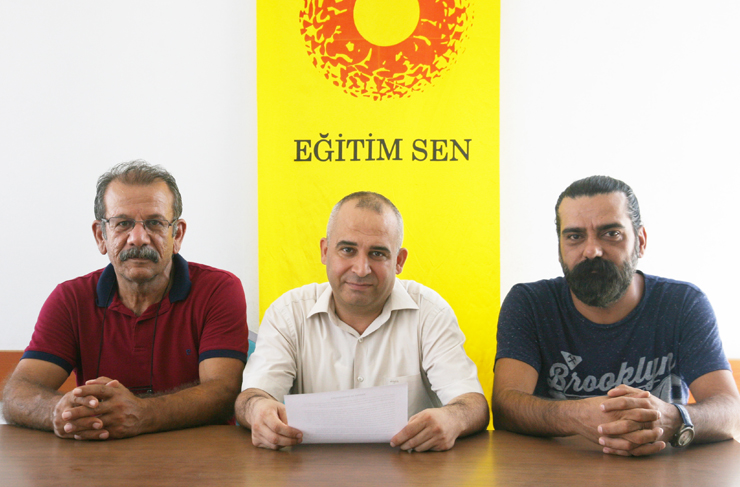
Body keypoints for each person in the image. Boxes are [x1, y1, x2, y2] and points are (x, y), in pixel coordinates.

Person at [493, 175, 740, 456]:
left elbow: (732, 412)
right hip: (555, 470)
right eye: (574, 236)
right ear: (560, 246)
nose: (591, 250)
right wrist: (577, 415)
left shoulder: (682, 304)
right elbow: (505, 406)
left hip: (660, 468)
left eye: (611, 234)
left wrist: (672, 419)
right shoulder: (529, 304)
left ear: (640, 241)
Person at [2, 160, 249, 440]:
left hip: (198, 458)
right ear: (101, 236)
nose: (138, 238)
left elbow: (224, 393)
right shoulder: (70, 299)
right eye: (122, 224)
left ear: (177, 234)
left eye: (155, 223)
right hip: (97, 458)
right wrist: (59, 412)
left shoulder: (218, 289)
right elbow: (17, 393)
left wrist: (142, 413)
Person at [236, 192, 488, 451]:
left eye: (378, 254)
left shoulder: (430, 313)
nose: (361, 269)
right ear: (325, 251)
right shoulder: (287, 314)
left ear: (399, 261)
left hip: (413, 468)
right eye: (348, 250)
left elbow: (473, 404)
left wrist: (452, 418)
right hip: (310, 469)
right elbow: (251, 397)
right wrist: (258, 410)